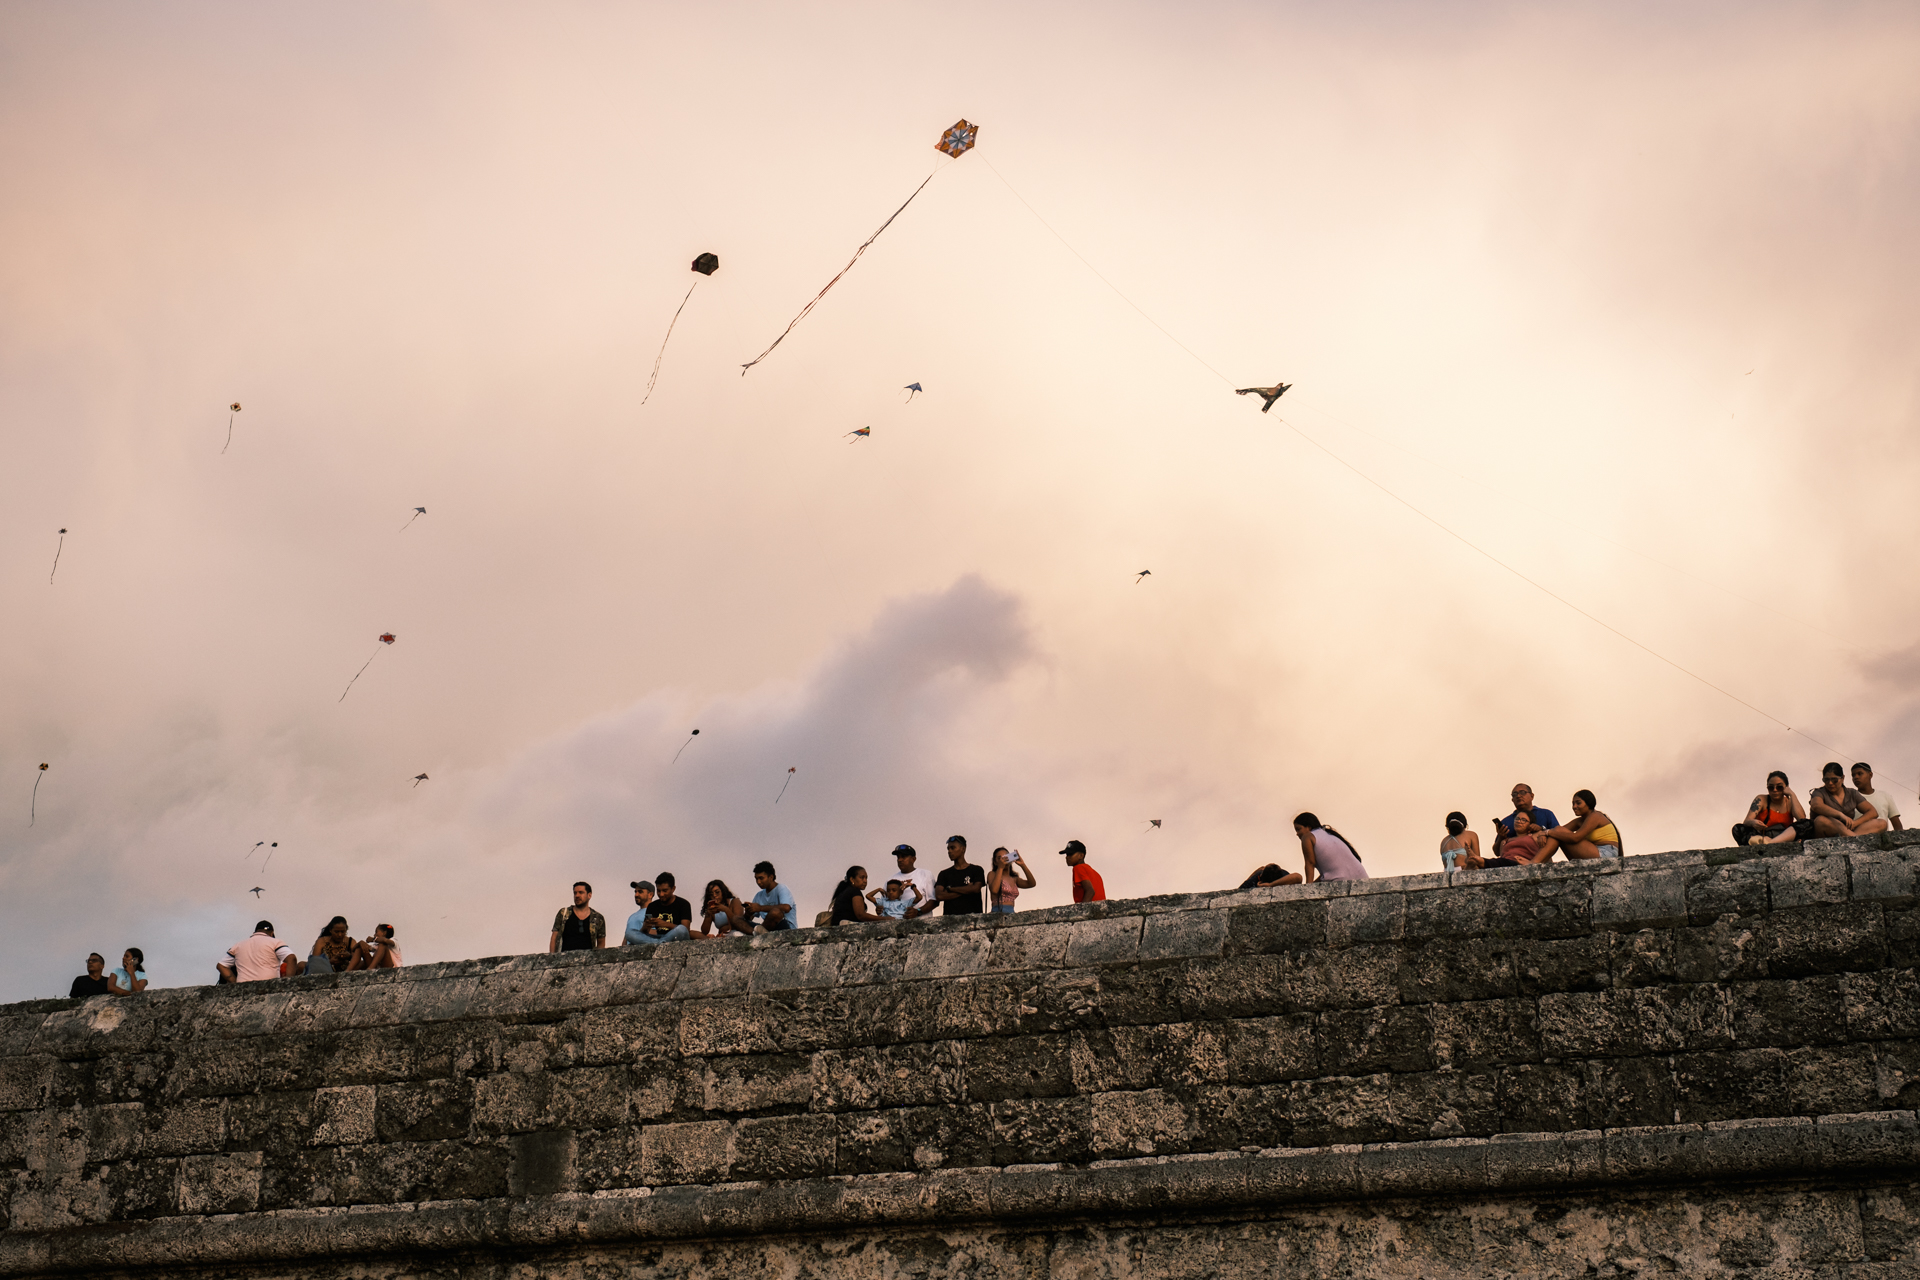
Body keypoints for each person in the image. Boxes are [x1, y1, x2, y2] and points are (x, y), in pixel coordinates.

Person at [1809, 762, 1887, 839]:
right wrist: (1840, 815)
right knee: (1820, 820)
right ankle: (1853, 838)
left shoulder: (1852, 793)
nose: (1830, 783)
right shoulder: (1819, 792)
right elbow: (1816, 806)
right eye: (1826, 780)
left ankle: (1851, 838)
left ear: (1842, 778)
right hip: (1827, 831)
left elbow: (1872, 812)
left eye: (1834, 780)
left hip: (1847, 830)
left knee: (1882, 823)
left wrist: (1855, 823)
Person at [1539, 790, 1624, 860]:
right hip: (1595, 851)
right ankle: (1539, 860)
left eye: (1578, 803)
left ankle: (1536, 861)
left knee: (1558, 832)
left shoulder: (1595, 816)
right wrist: (1543, 833)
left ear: (1588, 803)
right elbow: (1558, 831)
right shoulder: (1580, 821)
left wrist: (1547, 832)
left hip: (1606, 853)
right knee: (1558, 833)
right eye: (1573, 804)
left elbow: (1575, 838)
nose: (1574, 806)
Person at [1736, 771, 1811, 847]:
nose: (1775, 790)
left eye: (1779, 787)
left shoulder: (1790, 802)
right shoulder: (1761, 799)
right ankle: (1760, 842)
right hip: (1762, 836)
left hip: (1784, 837)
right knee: (1738, 828)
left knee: (1808, 824)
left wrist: (1792, 794)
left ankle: (1771, 842)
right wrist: (1753, 822)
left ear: (1786, 787)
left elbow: (1802, 820)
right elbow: (1747, 821)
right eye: (1771, 787)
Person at [1293, 814, 1369, 882]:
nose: (1297, 834)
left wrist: (1308, 888)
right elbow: (1333, 871)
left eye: (1298, 829)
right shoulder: (1331, 835)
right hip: (1363, 879)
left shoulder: (1307, 837)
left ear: (1308, 827)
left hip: (1340, 881)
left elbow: (1310, 862)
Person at [1492, 784, 1560, 859]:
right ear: (1512, 800)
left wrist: (1542, 830)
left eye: (1522, 792)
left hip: (1540, 860)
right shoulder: (1506, 821)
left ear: (1532, 796)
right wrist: (1501, 837)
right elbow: (1496, 852)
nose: (1518, 796)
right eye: (1515, 794)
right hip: (1511, 861)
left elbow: (1559, 835)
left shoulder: (1546, 814)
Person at [220, 922, 298, 982]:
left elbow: (221, 965)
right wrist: (288, 982)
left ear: (255, 931)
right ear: (272, 933)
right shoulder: (275, 942)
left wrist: (235, 983)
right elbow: (292, 958)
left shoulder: (238, 946)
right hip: (268, 987)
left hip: (244, 989)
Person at [627, 875, 693, 946]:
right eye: (658, 891)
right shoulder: (652, 906)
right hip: (658, 938)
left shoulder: (683, 904)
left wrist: (664, 924)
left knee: (681, 929)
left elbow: (685, 930)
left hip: (675, 937)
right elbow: (644, 932)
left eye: (665, 891)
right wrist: (646, 926)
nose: (661, 894)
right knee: (629, 933)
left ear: (673, 889)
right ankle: (660, 943)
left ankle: (657, 944)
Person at [1483, 811, 1558, 867]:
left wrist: (1542, 830)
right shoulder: (1505, 841)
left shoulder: (1536, 836)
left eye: (1523, 820)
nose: (1519, 821)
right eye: (1517, 819)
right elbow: (1499, 854)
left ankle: (1481, 861)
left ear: (1530, 824)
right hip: (1504, 864)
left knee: (1492, 862)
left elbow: (1552, 841)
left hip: (1520, 862)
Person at [935, 835, 987, 915]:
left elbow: (976, 889)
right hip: (950, 922)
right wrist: (968, 889)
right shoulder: (944, 874)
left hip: (973, 921)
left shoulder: (976, 870)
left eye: (953, 848)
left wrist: (950, 889)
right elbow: (939, 896)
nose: (949, 851)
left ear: (963, 849)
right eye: (948, 849)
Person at [549, 882, 607, 952]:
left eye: (581, 892)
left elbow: (601, 943)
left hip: (588, 961)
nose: (577, 895)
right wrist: (552, 958)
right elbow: (554, 937)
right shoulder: (564, 913)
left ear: (589, 895)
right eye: (575, 893)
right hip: (564, 960)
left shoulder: (598, 918)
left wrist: (597, 961)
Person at [745, 861, 796, 932]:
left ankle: (759, 932)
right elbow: (750, 918)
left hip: (785, 928)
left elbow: (786, 908)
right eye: (756, 879)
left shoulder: (781, 888)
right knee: (736, 919)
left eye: (761, 878)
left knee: (775, 912)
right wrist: (748, 913)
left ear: (771, 877)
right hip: (767, 928)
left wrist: (760, 908)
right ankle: (759, 932)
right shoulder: (759, 895)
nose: (758, 882)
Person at [1853, 762, 1904, 832]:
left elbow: (1897, 825)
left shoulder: (1885, 796)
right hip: (1858, 839)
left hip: (1881, 841)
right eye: (1853, 775)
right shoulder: (1850, 798)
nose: (1856, 777)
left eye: (1860, 773)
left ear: (1870, 775)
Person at [891, 845, 938, 920]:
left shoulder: (925, 874)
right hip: (898, 927)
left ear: (913, 859)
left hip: (923, 926)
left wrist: (918, 911)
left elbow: (934, 901)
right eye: (898, 857)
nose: (900, 860)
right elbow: (886, 902)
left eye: (903, 856)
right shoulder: (891, 879)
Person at [986, 847, 1037, 914]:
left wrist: (1022, 865)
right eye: (999, 858)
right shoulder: (992, 874)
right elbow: (994, 890)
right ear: (995, 862)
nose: (1003, 860)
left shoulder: (1014, 878)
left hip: (1011, 912)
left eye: (1006, 857)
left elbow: (1032, 883)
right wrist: (1000, 867)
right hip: (997, 912)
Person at [1238, 863, 1303, 888]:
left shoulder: (1284, 877)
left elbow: (1298, 877)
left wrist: (1270, 885)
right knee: (1261, 869)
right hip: (1262, 873)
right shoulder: (1255, 879)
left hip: (1276, 876)